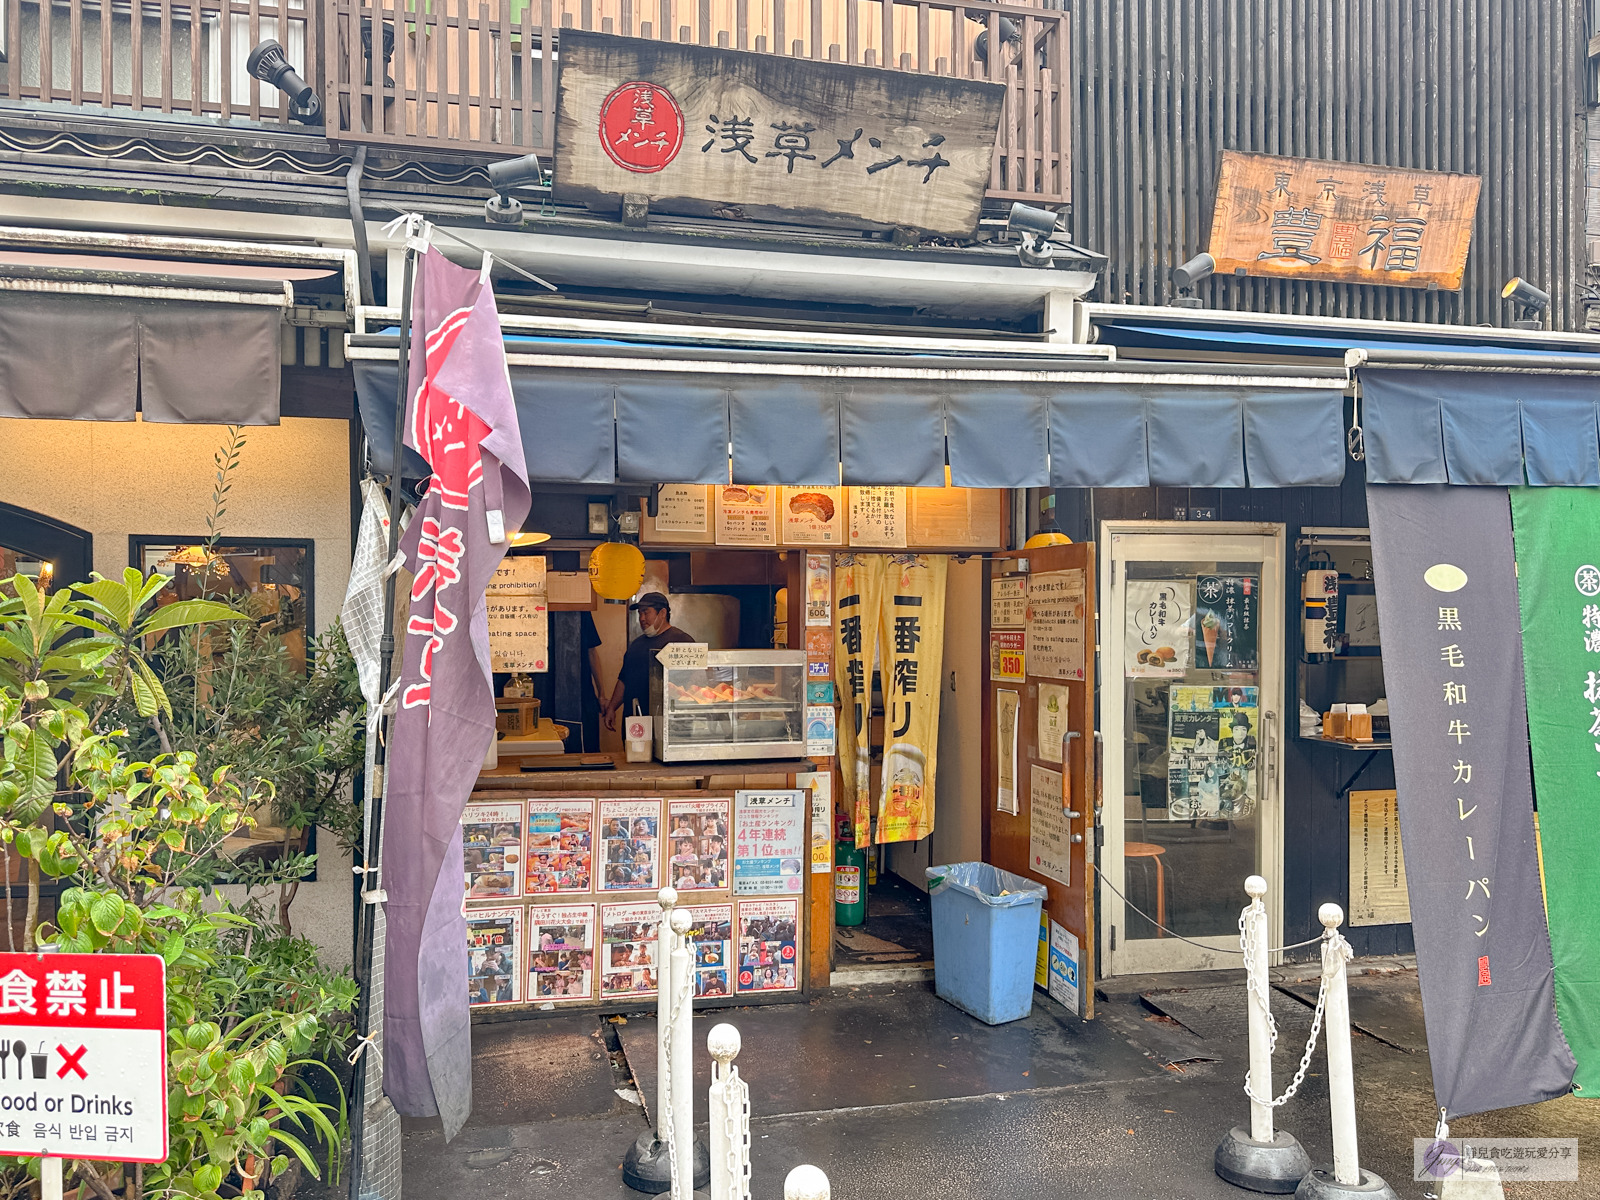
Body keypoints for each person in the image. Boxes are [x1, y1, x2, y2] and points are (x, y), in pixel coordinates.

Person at [603, 592, 696, 731]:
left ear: (662, 613)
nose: (642, 618)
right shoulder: (636, 644)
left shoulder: (682, 642)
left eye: (646, 613)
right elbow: (624, 679)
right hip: (635, 722)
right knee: (635, 753)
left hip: (668, 723)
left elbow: (694, 683)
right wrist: (612, 707)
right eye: (640, 613)